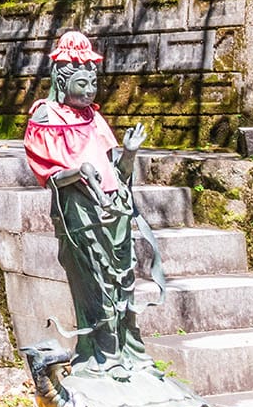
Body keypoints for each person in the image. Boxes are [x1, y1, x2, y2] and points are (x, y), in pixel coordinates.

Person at [23, 29, 157, 380]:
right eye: (83, 81)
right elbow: (49, 174)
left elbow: (118, 172)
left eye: (93, 81)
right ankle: (102, 354)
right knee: (94, 281)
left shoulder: (94, 119)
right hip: (80, 211)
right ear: (62, 79)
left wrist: (129, 153)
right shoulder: (46, 117)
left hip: (114, 208)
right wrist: (77, 172)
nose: (91, 89)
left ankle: (131, 349)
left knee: (122, 281)